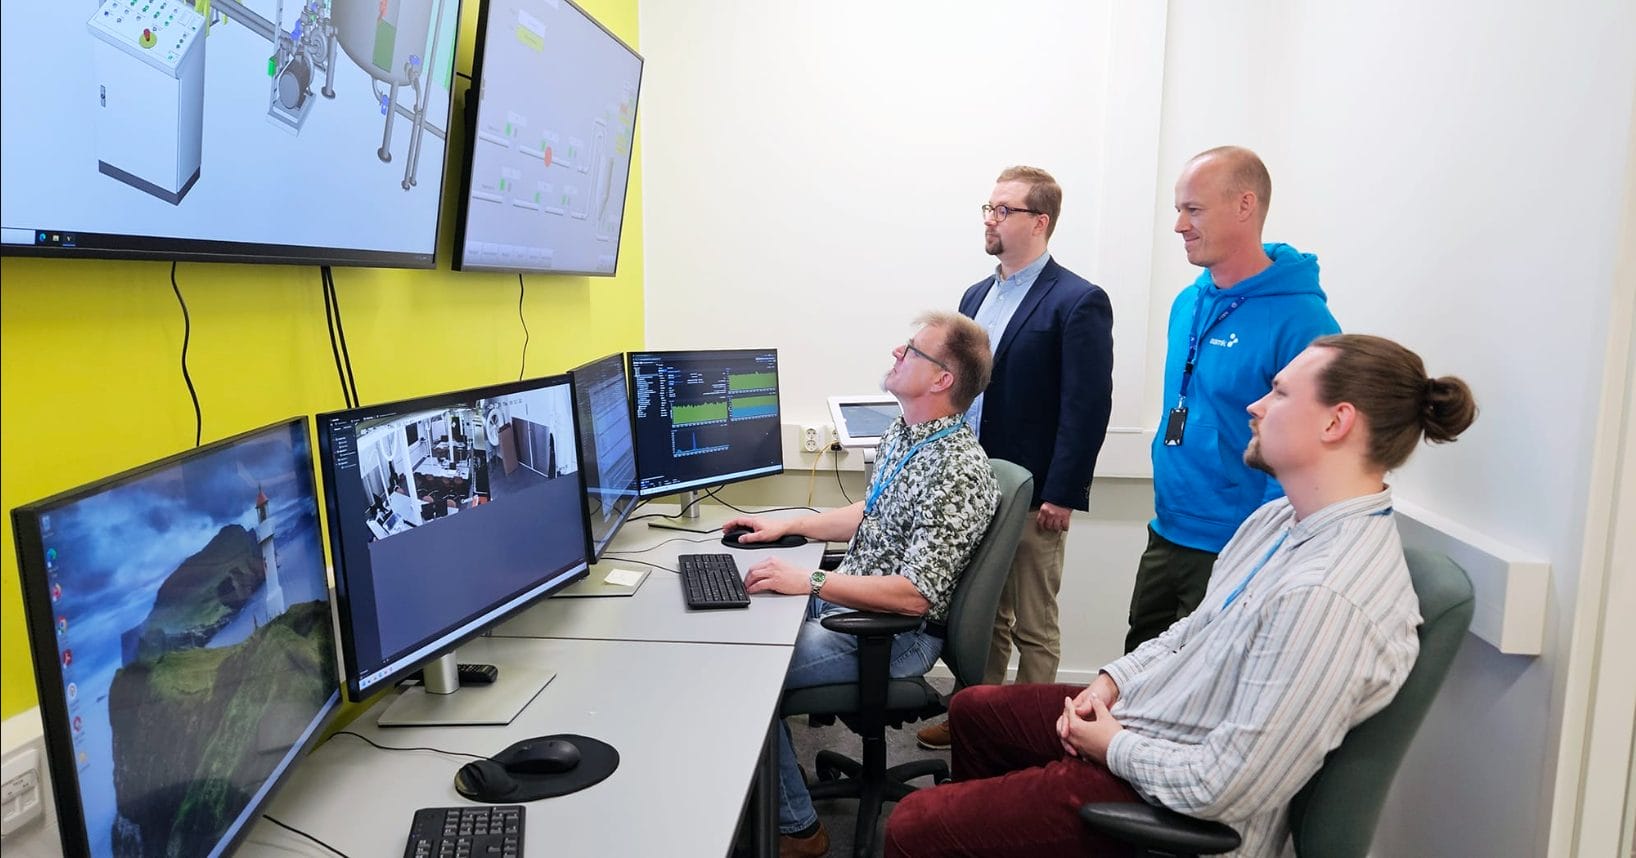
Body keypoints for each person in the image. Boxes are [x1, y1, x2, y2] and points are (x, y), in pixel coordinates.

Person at [882, 334, 1478, 857]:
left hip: (1175, 802)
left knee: (913, 825)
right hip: (1154, 725)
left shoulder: (1328, 598)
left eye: (1279, 393)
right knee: (976, 712)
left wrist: (1112, 745)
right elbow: (1191, 631)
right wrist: (1110, 682)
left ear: (1335, 423)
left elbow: (1226, 787)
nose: (1255, 405)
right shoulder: (1278, 521)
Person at [722, 311, 1002, 857]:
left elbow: (914, 595)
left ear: (942, 379)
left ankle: (798, 829)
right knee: (734, 631)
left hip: (890, 633)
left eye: (912, 351)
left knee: (743, 675)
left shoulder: (957, 470)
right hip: (849, 603)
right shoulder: (907, 433)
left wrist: (811, 580)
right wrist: (790, 524)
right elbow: (871, 513)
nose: (897, 353)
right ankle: (769, 783)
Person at [918, 166, 1115, 752]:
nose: (990, 219)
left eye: (1004, 210)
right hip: (972, 488)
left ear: (1039, 221)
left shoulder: (1077, 301)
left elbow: (1086, 406)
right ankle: (974, 717)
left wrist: (1063, 492)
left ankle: (1033, 735)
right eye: (989, 208)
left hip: (1033, 492)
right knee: (980, 618)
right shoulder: (974, 297)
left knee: (1033, 622)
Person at [1125, 146, 1342, 652]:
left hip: (1236, 545)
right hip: (1168, 529)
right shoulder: (1188, 302)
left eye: (1193, 209)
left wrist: (1261, 549)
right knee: (1136, 671)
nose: (1179, 225)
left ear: (1245, 205)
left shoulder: (1303, 321)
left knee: (1196, 685)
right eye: (1178, 209)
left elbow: (1309, 449)